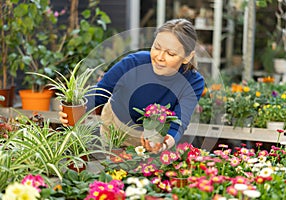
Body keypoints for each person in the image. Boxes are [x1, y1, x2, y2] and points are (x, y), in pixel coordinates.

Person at [59, 18, 205, 153]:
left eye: (170, 54)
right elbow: (100, 91)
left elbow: (179, 122)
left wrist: (163, 144)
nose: (160, 57)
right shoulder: (133, 63)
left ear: (187, 57)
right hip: (115, 126)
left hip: (153, 135)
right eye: (157, 47)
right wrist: (76, 109)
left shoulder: (193, 82)